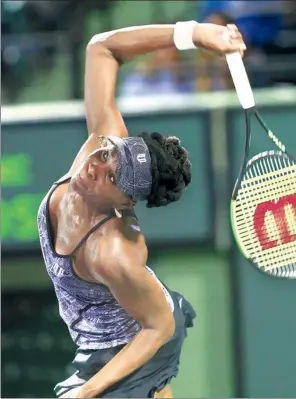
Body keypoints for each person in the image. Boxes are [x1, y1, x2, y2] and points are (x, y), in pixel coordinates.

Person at [37, 21, 246, 398]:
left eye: (110, 176)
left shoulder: (113, 252)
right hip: (116, 324)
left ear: (125, 203)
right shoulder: (100, 144)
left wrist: (85, 394)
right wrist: (195, 34)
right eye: (108, 152)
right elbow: (101, 48)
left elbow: (159, 327)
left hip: (142, 340)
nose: (94, 164)